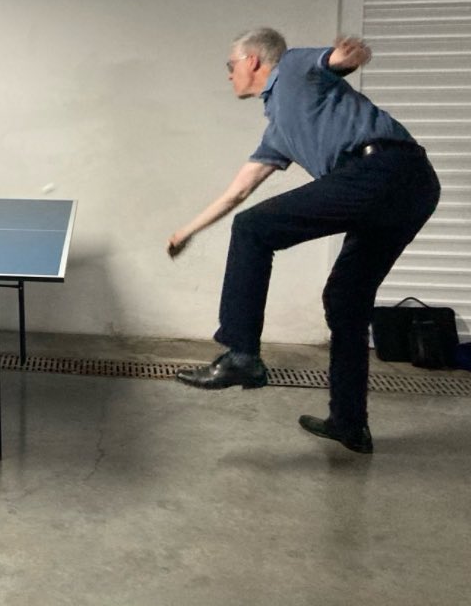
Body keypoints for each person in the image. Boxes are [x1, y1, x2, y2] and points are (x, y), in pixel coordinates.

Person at [167, 28, 441, 454]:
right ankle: (350, 424)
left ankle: (241, 355)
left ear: (253, 61)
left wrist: (346, 58)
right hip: (412, 187)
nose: (228, 75)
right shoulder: (278, 130)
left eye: (230, 65)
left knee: (253, 229)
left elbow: (333, 62)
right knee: (345, 298)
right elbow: (239, 191)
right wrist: (188, 230)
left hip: (384, 169)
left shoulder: (292, 67)